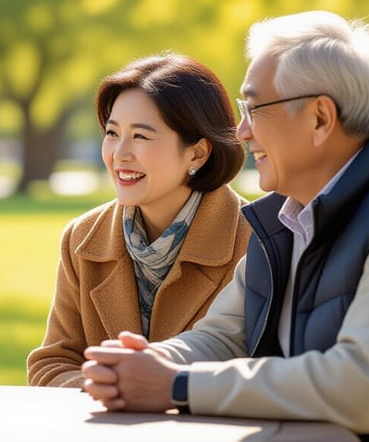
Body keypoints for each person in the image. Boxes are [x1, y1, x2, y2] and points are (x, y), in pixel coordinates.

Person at [81, 11, 369, 440]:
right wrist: (148, 363)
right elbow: (226, 334)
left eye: (254, 109)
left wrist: (177, 385)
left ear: (320, 118)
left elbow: (362, 387)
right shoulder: (287, 215)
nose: (241, 132)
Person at [27, 53, 252, 388]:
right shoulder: (83, 237)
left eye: (141, 136)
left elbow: (265, 367)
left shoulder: (256, 239)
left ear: (198, 153)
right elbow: (53, 363)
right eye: (112, 133)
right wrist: (106, 388)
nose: (119, 154)